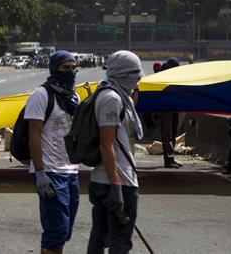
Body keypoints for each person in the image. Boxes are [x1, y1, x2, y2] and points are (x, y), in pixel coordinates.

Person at [86, 50, 144, 254]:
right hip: (117, 181)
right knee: (120, 242)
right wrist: (116, 185)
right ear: (121, 72)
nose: (139, 77)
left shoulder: (118, 95)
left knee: (99, 238)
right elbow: (106, 144)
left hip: (109, 180)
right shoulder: (112, 99)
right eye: (134, 72)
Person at [25, 51, 80, 254]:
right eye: (66, 68)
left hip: (71, 171)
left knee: (65, 232)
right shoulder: (41, 95)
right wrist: (40, 173)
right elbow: (34, 136)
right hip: (50, 171)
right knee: (56, 231)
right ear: (54, 69)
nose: (71, 72)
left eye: (74, 68)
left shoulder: (74, 97)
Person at [157, 58, 183, 168]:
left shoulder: (173, 74)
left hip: (173, 107)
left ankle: (171, 158)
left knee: (173, 134)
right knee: (167, 134)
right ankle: (168, 160)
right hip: (166, 108)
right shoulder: (163, 75)